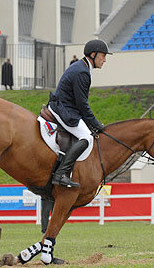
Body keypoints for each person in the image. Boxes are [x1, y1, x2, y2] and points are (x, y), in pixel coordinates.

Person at [47, 39, 110, 188]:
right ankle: (61, 173)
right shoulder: (82, 71)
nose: (105, 60)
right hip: (63, 109)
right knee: (87, 137)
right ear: (93, 55)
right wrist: (95, 124)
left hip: (67, 107)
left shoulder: (82, 67)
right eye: (103, 56)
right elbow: (82, 104)